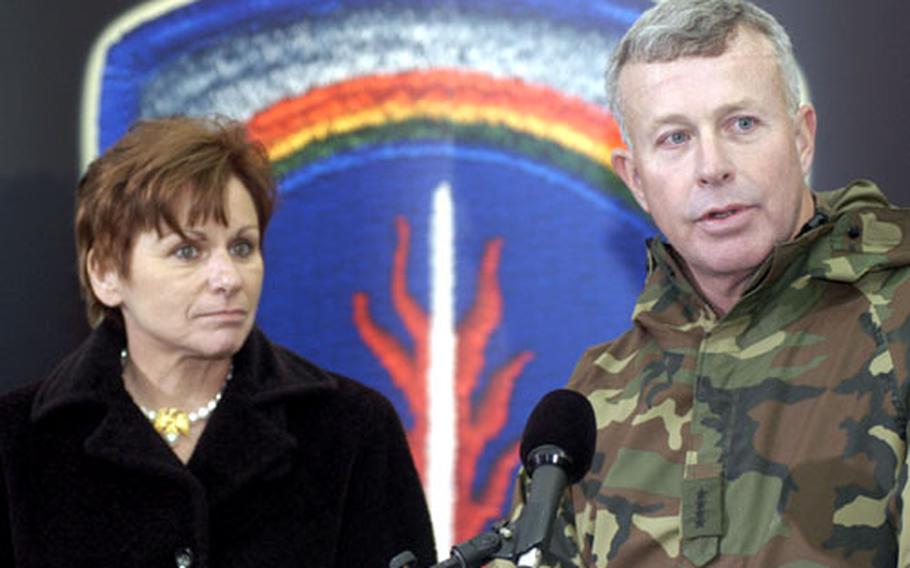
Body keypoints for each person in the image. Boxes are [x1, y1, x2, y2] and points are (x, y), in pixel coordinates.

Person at [503, 0, 910, 566]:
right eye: (674, 138)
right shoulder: (594, 399)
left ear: (801, 138)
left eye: (741, 124)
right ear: (637, 181)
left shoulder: (899, 319)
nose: (711, 166)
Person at [0, 117, 436, 567]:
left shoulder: (351, 429)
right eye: (188, 251)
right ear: (106, 273)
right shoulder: (17, 442)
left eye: (243, 247)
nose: (228, 278)